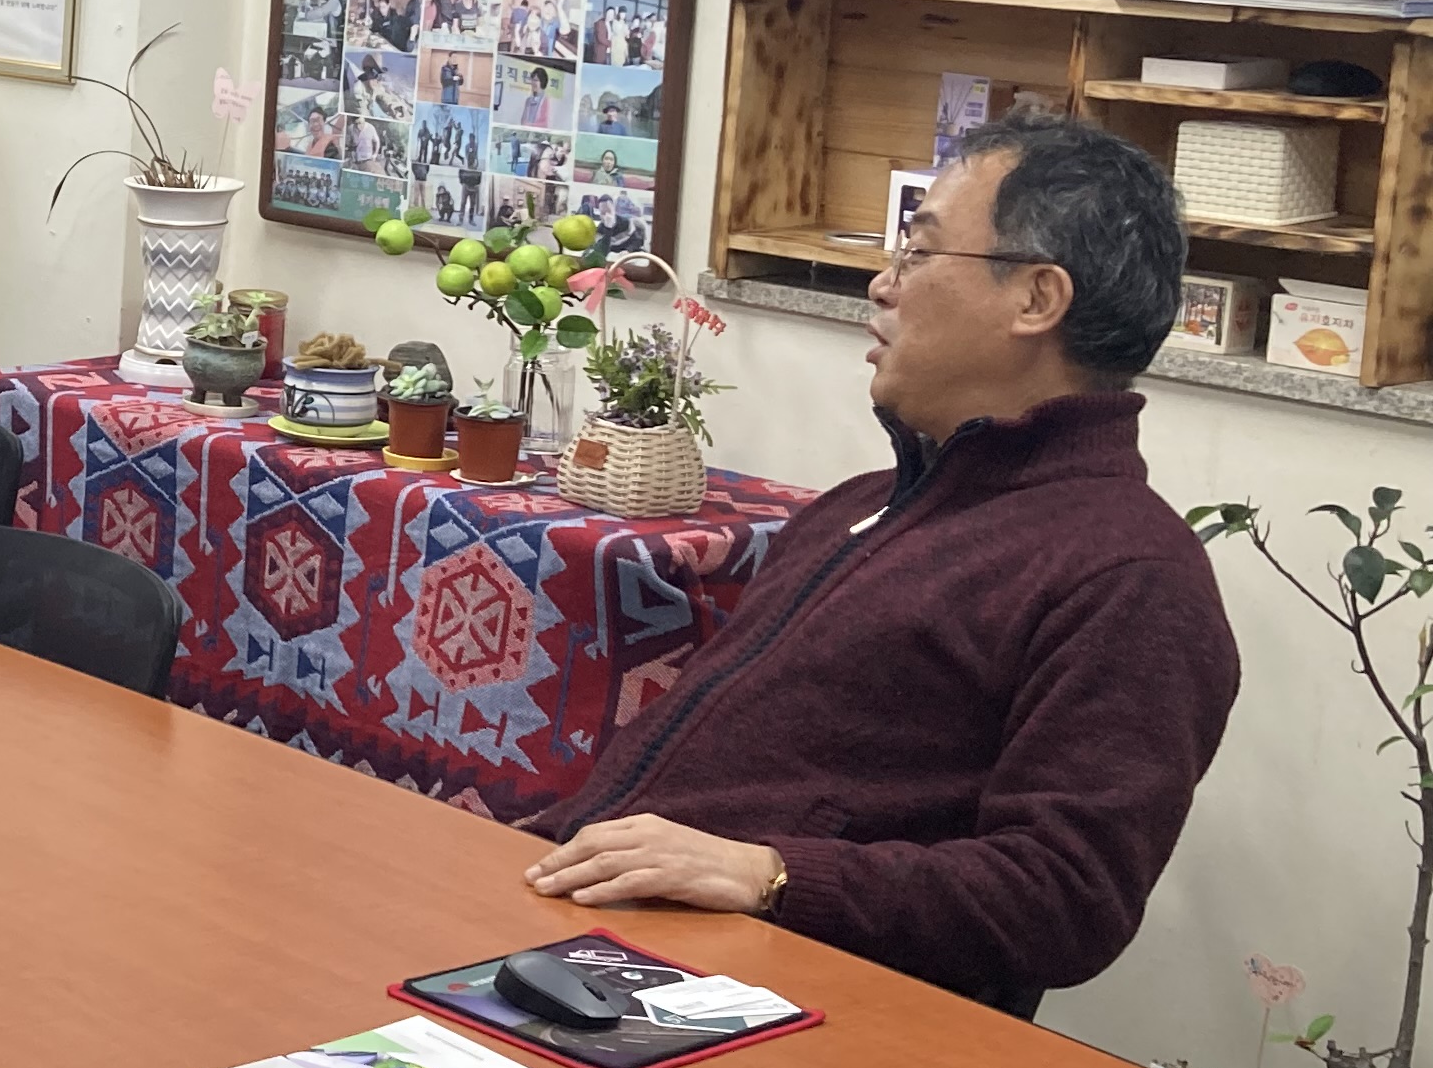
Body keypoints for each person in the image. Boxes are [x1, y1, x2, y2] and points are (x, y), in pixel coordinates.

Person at [523, 120, 1236, 1012]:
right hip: (611, 944)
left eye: (920, 253)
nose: (883, 284)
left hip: (789, 1013)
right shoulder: (859, 505)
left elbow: (1067, 899)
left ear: (1036, 298)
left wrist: (773, 876)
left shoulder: (1130, 574)